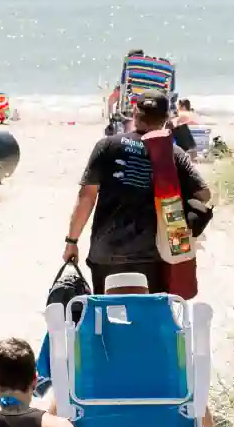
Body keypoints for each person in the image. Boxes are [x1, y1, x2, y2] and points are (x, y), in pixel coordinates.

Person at [65, 92, 211, 294]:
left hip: (106, 253)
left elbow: (86, 198)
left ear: (134, 113)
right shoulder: (174, 154)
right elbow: (204, 194)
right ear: (165, 118)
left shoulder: (107, 146)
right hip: (154, 256)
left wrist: (72, 242)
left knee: (105, 317)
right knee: (150, 316)